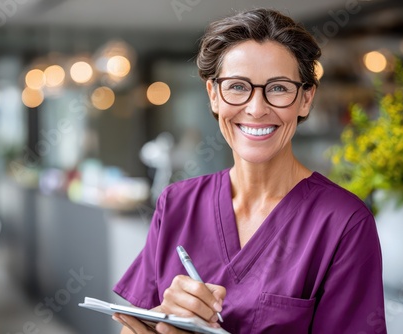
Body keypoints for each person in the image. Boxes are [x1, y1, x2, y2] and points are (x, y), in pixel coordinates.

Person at [113, 8, 387, 334]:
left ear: (306, 99)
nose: (257, 109)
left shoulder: (343, 223)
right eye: (238, 87)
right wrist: (163, 321)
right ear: (213, 95)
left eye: (279, 88)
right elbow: (131, 327)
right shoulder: (177, 204)